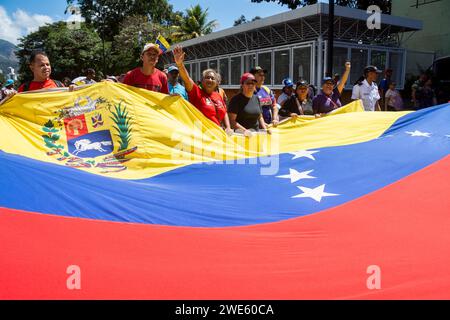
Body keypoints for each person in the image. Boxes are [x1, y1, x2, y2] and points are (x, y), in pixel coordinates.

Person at [172, 45, 232, 134]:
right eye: (207, 77)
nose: (210, 80)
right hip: (201, 136)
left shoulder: (218, 96)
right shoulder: (196, 93)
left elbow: (225, 112)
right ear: (202, 81)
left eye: (213, 78)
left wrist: (228, 127)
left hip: (218, 135)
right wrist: (180, 65)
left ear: (217, 83)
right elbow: (187, 79)